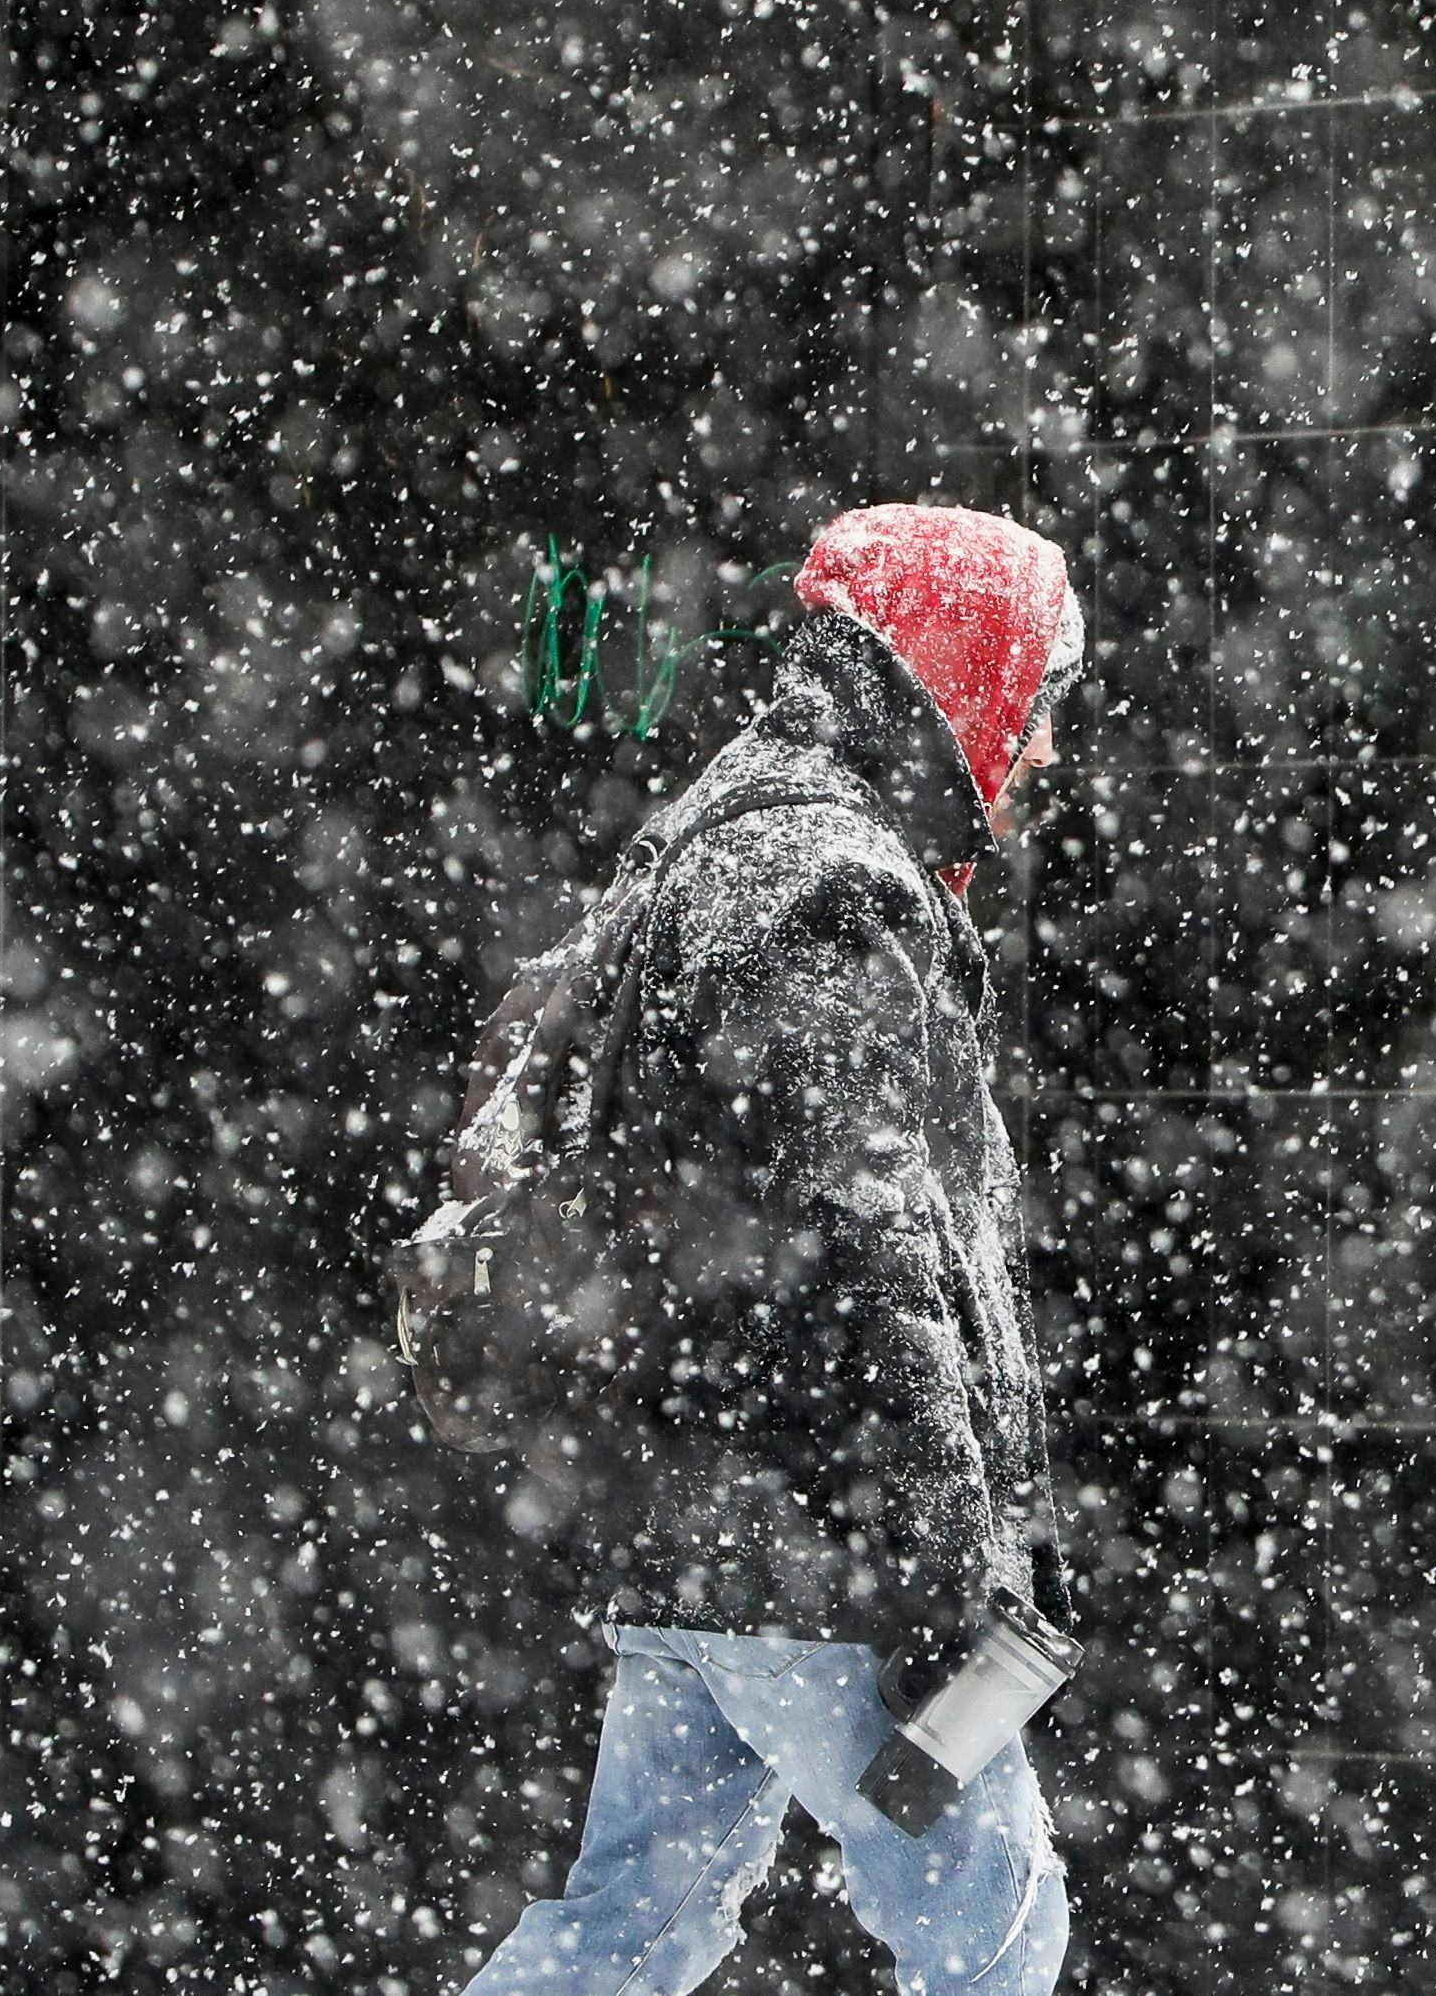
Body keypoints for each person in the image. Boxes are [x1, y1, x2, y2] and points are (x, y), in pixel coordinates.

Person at [458, 503, 1085, 1996]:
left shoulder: (730, 842)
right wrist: (938, 1581)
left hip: (706, 1533)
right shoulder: (824, 881)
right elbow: (870, 1251)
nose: (1046, 753)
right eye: (1040, 701)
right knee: (995, 1937)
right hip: (815, 1536)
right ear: (955, 671)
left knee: (626, 1938)